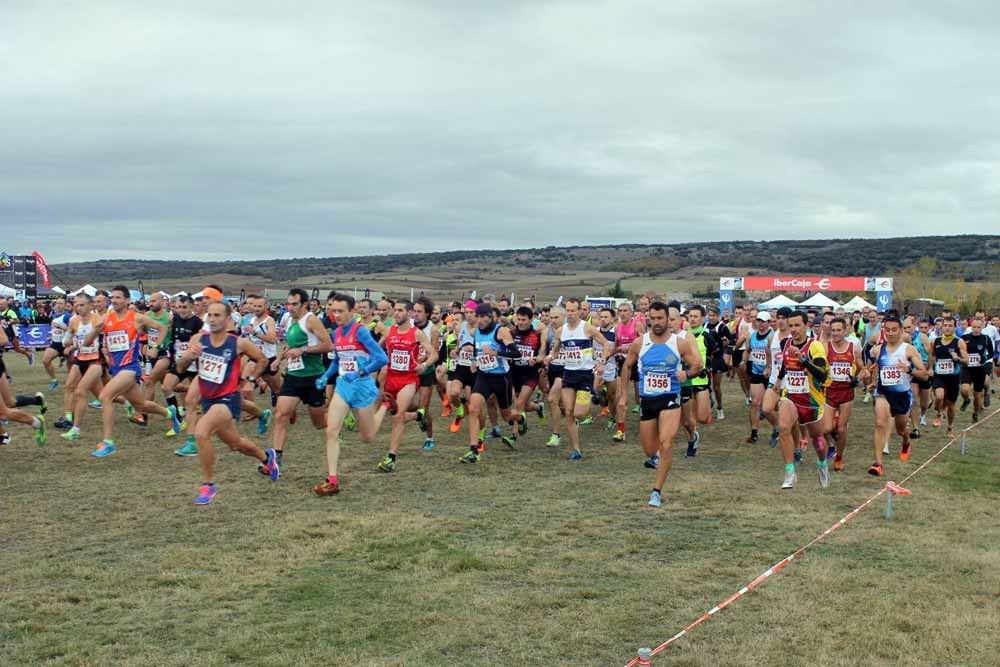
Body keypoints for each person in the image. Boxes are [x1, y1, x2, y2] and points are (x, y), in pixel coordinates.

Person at [175, 302, 280, 505]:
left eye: (217, 315)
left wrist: (249, 380)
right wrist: (189, 356)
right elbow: (180, 367)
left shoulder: (238, 343)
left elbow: (261, 359)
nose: (212, 319)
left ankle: (208, 485)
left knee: (201, 432)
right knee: (235, 444)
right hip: (208, 399)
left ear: (227, 319)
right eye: (210, 315)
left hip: (228, 399)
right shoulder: (198, 339)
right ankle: (267, 458)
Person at [80, 286, 182, 456]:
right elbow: (86, 342)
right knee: (140, 405)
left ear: (127, 300)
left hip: (130, 368)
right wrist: (95, 330)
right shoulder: (106, 318)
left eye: (118, 297)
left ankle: (108, 442)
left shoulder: (137, 318)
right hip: (116, 368)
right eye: (112, 297)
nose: (114, 300)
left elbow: (162, 328)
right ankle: (169, 413)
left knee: (105, 396)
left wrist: (155, 347)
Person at [619, 301, 702, 508]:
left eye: (660, 318)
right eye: (652, 318)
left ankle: (656, 491)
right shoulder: (640, 343)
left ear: (667, 319)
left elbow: (697, 365)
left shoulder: (679, 343)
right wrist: (623, 395)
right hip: (648, 400)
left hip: (670, 398)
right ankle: (656, 459)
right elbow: (627, 367)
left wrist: (687, 373)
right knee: (649, 450)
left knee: (666, 443)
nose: (656, 322)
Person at [312, 293, 389, 495]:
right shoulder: (336, 333)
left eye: (340, 311)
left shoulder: (361, 332)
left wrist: (361, 371)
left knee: (368, 437)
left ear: (352, 311)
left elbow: (382, 358)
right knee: (331, 431)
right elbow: (338, 361)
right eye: (333, 311)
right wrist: (325, 376)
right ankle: (333, 479)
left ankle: (385, 407)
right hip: (343, 385)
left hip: (362, 387)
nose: (335, 315)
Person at [270, 288, 334, 467]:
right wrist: (278, 359)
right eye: (288, 304)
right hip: (293, 376)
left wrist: (303, 350)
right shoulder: (290, 320)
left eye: (294, 304)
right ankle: (277, 458)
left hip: (313, 377)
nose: (289, 307)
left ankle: (337, 420)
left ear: (304, 304)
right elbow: (290, 346)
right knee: (281, 414)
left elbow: (328, 346)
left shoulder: (311, 320)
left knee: (319, 423)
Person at [376, 300, 437, 472]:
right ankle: (418, 416)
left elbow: (433, 353)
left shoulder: (416, 333)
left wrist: (424, 366)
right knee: (396, 413)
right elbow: (377, 349)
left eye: (400, 310)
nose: (396, 313)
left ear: (409, 313)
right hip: (391, 379)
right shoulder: (389, 331)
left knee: (397, 417)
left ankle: (391, 458)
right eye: (394, 310)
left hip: (409, 379)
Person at [547, 298, 612, 460]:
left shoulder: (587, 328)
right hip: (568, 374)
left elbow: (605, 344)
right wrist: (550, 357)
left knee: (579, 413)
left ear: (578, 311)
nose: (570, 314)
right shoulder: (560, 331)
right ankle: (576, 449)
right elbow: (555, 351)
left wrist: (602, 362)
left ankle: (595, 393)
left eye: (573, 311)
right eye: (567, 311)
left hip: (584, 375)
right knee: (568, 412)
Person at [459, 303, 524, 463]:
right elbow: (477, 351)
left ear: (490, 317)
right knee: (473, 408)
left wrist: (496, 353)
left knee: (507, 416)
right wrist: (474, 361)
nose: (479, 320)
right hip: (484, 376)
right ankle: (474, 450)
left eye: (482, 317)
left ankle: (520, 419)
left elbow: (516, 354)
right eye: (477, 317)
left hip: (501, 379)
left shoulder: (500, 331)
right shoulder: (476, 332)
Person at [866, 313, 929, 477]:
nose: (890, 333)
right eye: (887, 330)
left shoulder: (909, 350)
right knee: (880, 423)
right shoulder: (880, 349)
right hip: (883, 393)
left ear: (901, 331)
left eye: (894, 330)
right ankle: (878, 463)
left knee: (901, 428)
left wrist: (908, 370)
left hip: (901, 395)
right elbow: (879, 369)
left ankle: (906, 440)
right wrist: (873, 382)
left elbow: (924, 374)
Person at [775, 311, 830, 490]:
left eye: (797, 325)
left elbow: (822, 374)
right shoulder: (786, 343)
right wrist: (778, 380)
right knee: (783, 428)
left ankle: (822, 464)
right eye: (791, 326)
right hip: (790, 394)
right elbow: (785, 364)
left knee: (818, 440)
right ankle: (790, 472)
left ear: (806, 325)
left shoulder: (815, 346)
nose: (793, 329)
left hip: (812, 400)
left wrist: (803, 359)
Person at [825, 317, 866, 472]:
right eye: (833, 330)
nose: (835, 333)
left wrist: (857, 380)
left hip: (846, 393)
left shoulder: (853, 348)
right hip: (830, 391)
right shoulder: (825, 347)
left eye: (838, 330)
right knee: (826, 428)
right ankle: (831, 444)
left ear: (845, 331)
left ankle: (839, 457)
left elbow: (864, 369)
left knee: (841, 429)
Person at [679, 305, 719, 458]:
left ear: (702, 318)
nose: (693, 319)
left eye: (696, 316)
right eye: (691, 316)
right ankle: (692, 441)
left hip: (701, 379)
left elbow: (717, 356)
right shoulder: (682, 336)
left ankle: (709, 401)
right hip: (686, 381)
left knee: (702, 418)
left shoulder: (707, 335)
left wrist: (709, 368)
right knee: (688, 420)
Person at [928, 316, 967, 438]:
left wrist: (958, 358)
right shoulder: (936, 341)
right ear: (941, 326)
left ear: (955, 327)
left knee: (951, 405)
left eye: (950, 326)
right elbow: (932, 355)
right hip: (939, 375)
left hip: (953, 377)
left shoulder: (959, 342)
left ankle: (950, 427)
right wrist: (930, 368)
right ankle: (939, 413)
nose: (947, 328)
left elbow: (966, 360)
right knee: (939, 396)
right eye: (945, 325)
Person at [744, 312, 773, 444]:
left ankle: (778, 429)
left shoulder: (772, 336)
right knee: (755, 403)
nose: (761, 324)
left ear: (769, 322)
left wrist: (769, 367)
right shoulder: (752, 335)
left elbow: (775, 355)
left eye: (763, 321)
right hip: (756, 373)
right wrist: (744, 361)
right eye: (759, 321)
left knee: (773, 407)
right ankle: (754, 433)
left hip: (771, 374)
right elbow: (748, 350)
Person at [960, 317, 994, 423]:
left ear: (982, 327)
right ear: (971, 326)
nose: (976, 329)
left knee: (977, 394)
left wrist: (984, 358)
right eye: (974, 327)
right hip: (967, 368)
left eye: (978, 327)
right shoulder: (964, 338)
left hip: (980, 369)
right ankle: (966, 400)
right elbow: (958, 350)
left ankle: (975, 413)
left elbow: (991, 353)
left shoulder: (986, 338)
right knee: (965, 390)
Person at [42, 298, 71, 392]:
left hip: (66, 344)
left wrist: (59, 327)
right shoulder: (53, 315)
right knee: (46, 361)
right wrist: (51, 335)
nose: (58, 305)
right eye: (57, 303)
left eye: (61, 303)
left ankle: (74, 383)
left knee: (72, 367)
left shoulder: (67, 316)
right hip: (56, 343)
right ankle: (54, 380)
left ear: (65, 305)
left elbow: (72, 330)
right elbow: (54, 328)